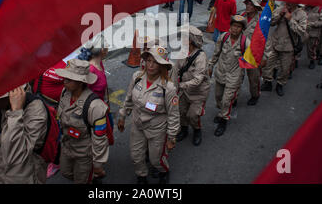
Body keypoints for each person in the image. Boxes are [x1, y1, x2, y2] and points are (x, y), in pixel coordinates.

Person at [118, 46, 180, 184]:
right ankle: (141, 176)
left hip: (157, 130)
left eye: (155, 62)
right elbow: (128, 98)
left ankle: (164, 172)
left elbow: (173, 115)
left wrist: (171, 137)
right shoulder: (137, 77)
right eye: (149, 61)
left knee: (156, 160)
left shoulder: (168, 88)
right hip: (137, 125)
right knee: (136, 156)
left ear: (162, 66)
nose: (150, 65)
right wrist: (122, 116)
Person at [56, 59, 110, 184]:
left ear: (81, 82)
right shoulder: (65, 93)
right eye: (65, 77)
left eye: (69, 79)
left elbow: (100, 138)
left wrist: (97, 163)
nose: (65, 81)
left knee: (82, 180)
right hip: (67, 147)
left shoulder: (94, 105)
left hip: (84, 153)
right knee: (66, 172)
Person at [0, 85, 49, 184]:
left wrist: (16, 112)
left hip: (25, 175)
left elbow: (16, 153)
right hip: (5, 173)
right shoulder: (4, 106)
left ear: (12, 96)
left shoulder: (35, 110)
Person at [208, 15, 250, 137]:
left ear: (242, 29)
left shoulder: (245, 42)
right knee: (218, 97)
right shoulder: (223, 37)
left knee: (227, 100)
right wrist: (210, 66)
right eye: (233, 25)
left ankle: (223, 119)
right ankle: (223, 110)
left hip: (234, 76)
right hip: (220, 72)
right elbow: (216, 54)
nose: (235, 29)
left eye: (238, 27)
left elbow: (252, 58)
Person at [173, 26, 211, 146]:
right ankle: (184, 130)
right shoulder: (182, 51)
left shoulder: (201, 57)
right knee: (182, 111)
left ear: (190, 40)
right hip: (184, 91)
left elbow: (198, 79)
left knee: (193, 115)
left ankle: (197, 130)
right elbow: (176, 69)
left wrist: (181, 85)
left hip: (198, 92)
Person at [260, 3, 307, 96]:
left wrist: (291, 20)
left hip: (288, 46)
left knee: (285, 69)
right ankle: (268, 82)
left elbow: (302, 31)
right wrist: (279, 15)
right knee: (268, 64)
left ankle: (280, 84)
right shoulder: (281, 8)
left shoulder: (301, 14)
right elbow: (271, 22)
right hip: (275, 42)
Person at [241, 0, 263, 105]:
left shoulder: (260, 20)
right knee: (236, 78)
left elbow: (264, 38)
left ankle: (255, 95)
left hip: (253, 53)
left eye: (251, 5)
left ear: (256, 7)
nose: (248, 6)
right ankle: (233, 97)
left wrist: (265, 56)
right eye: (247, 4)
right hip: (240, 50)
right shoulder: (242, 16)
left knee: (253, 78)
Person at [78, 36, 110, 103]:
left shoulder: (99, 62)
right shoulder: (90, 70)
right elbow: (81, 94)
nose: (109, 46)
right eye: (107, 45)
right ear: (102, 50)